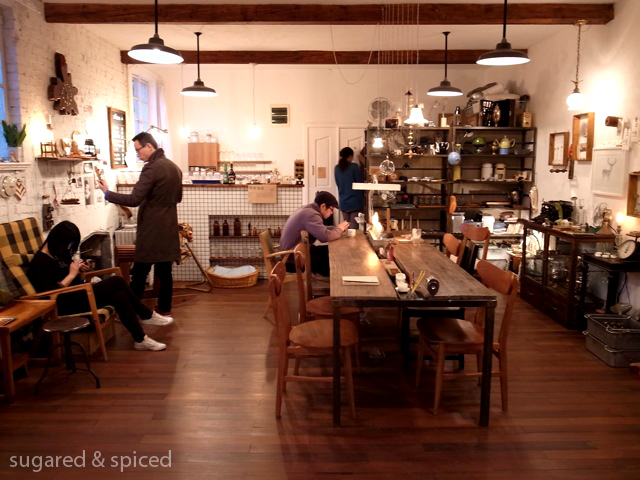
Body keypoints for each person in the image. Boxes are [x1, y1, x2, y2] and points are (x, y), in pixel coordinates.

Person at [27, 221, 171, 351]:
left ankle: (140, 339)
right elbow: (50, 294)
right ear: (58, 240)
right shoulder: (40, 262)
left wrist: (80, 272)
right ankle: (146, 314)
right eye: (69, 244)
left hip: (77, 294)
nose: (69, 248)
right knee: (116, 281)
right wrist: (71, 274)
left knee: (119, 296)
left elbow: (74, 280)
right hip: (63, 304)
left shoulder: (59, 253)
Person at [98, 132, 182, 318]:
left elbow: (134, 199)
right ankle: (164, 308)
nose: (138, 154)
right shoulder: (174, 167)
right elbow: (178, 197)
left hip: (152, 226)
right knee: (164, 271)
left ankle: (132, 311)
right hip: (169, 224)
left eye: (138, 150)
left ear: (149, 146)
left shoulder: (152, 168)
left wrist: (107, 193)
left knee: (140, 270)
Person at [279, 191, 348, 276]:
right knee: (333, 260)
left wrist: (336, 228)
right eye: (331, 209)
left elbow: (321, 229)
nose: (332, 212)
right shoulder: (312, 215)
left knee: (330, 251)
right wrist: (339, 229)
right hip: (292, 259)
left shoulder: (308, 209)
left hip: (295, 253)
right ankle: (337, 283)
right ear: (323, 206)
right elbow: (325, 236)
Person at [334, 147, 364, 229]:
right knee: (354, 230)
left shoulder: (336, 168)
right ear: (350, 156)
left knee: (345, 228)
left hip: (343, 202)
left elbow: (338, 183)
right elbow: (360, 183)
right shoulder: (354, 167)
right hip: (355, 202)